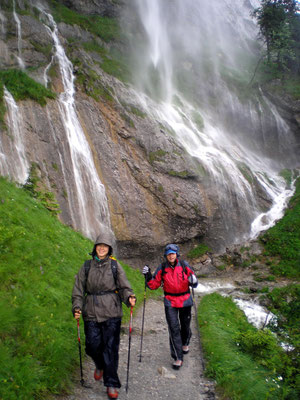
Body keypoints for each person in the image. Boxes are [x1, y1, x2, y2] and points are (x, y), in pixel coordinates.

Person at [72, 232, 136, 400]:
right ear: (95, 248)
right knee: (92, 345)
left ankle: (112, 383)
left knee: (110, 348)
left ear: (109, 249)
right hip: (91, 311)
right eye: (99, 246)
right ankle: (99, 365)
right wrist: (77, 306)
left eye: (105, 246)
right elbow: (78, 289)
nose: (102, 248)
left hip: (112, 312)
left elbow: (124, 286)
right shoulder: (86, 266)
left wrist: (129, 298)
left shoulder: (115, 266)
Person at [143, 243, 198, 370]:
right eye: (168, 254)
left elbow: (193, 281)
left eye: (172, 253)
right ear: (165, 256)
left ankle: (185, 342)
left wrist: (194, 281)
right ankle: (178, 357)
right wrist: (147, 276)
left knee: (185, 325)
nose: (171, 256)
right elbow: (153, 285)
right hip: (170, 301)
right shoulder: (162, 268)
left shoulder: (184, 265)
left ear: (176, 254)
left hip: (185, 300)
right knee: (173, 328)